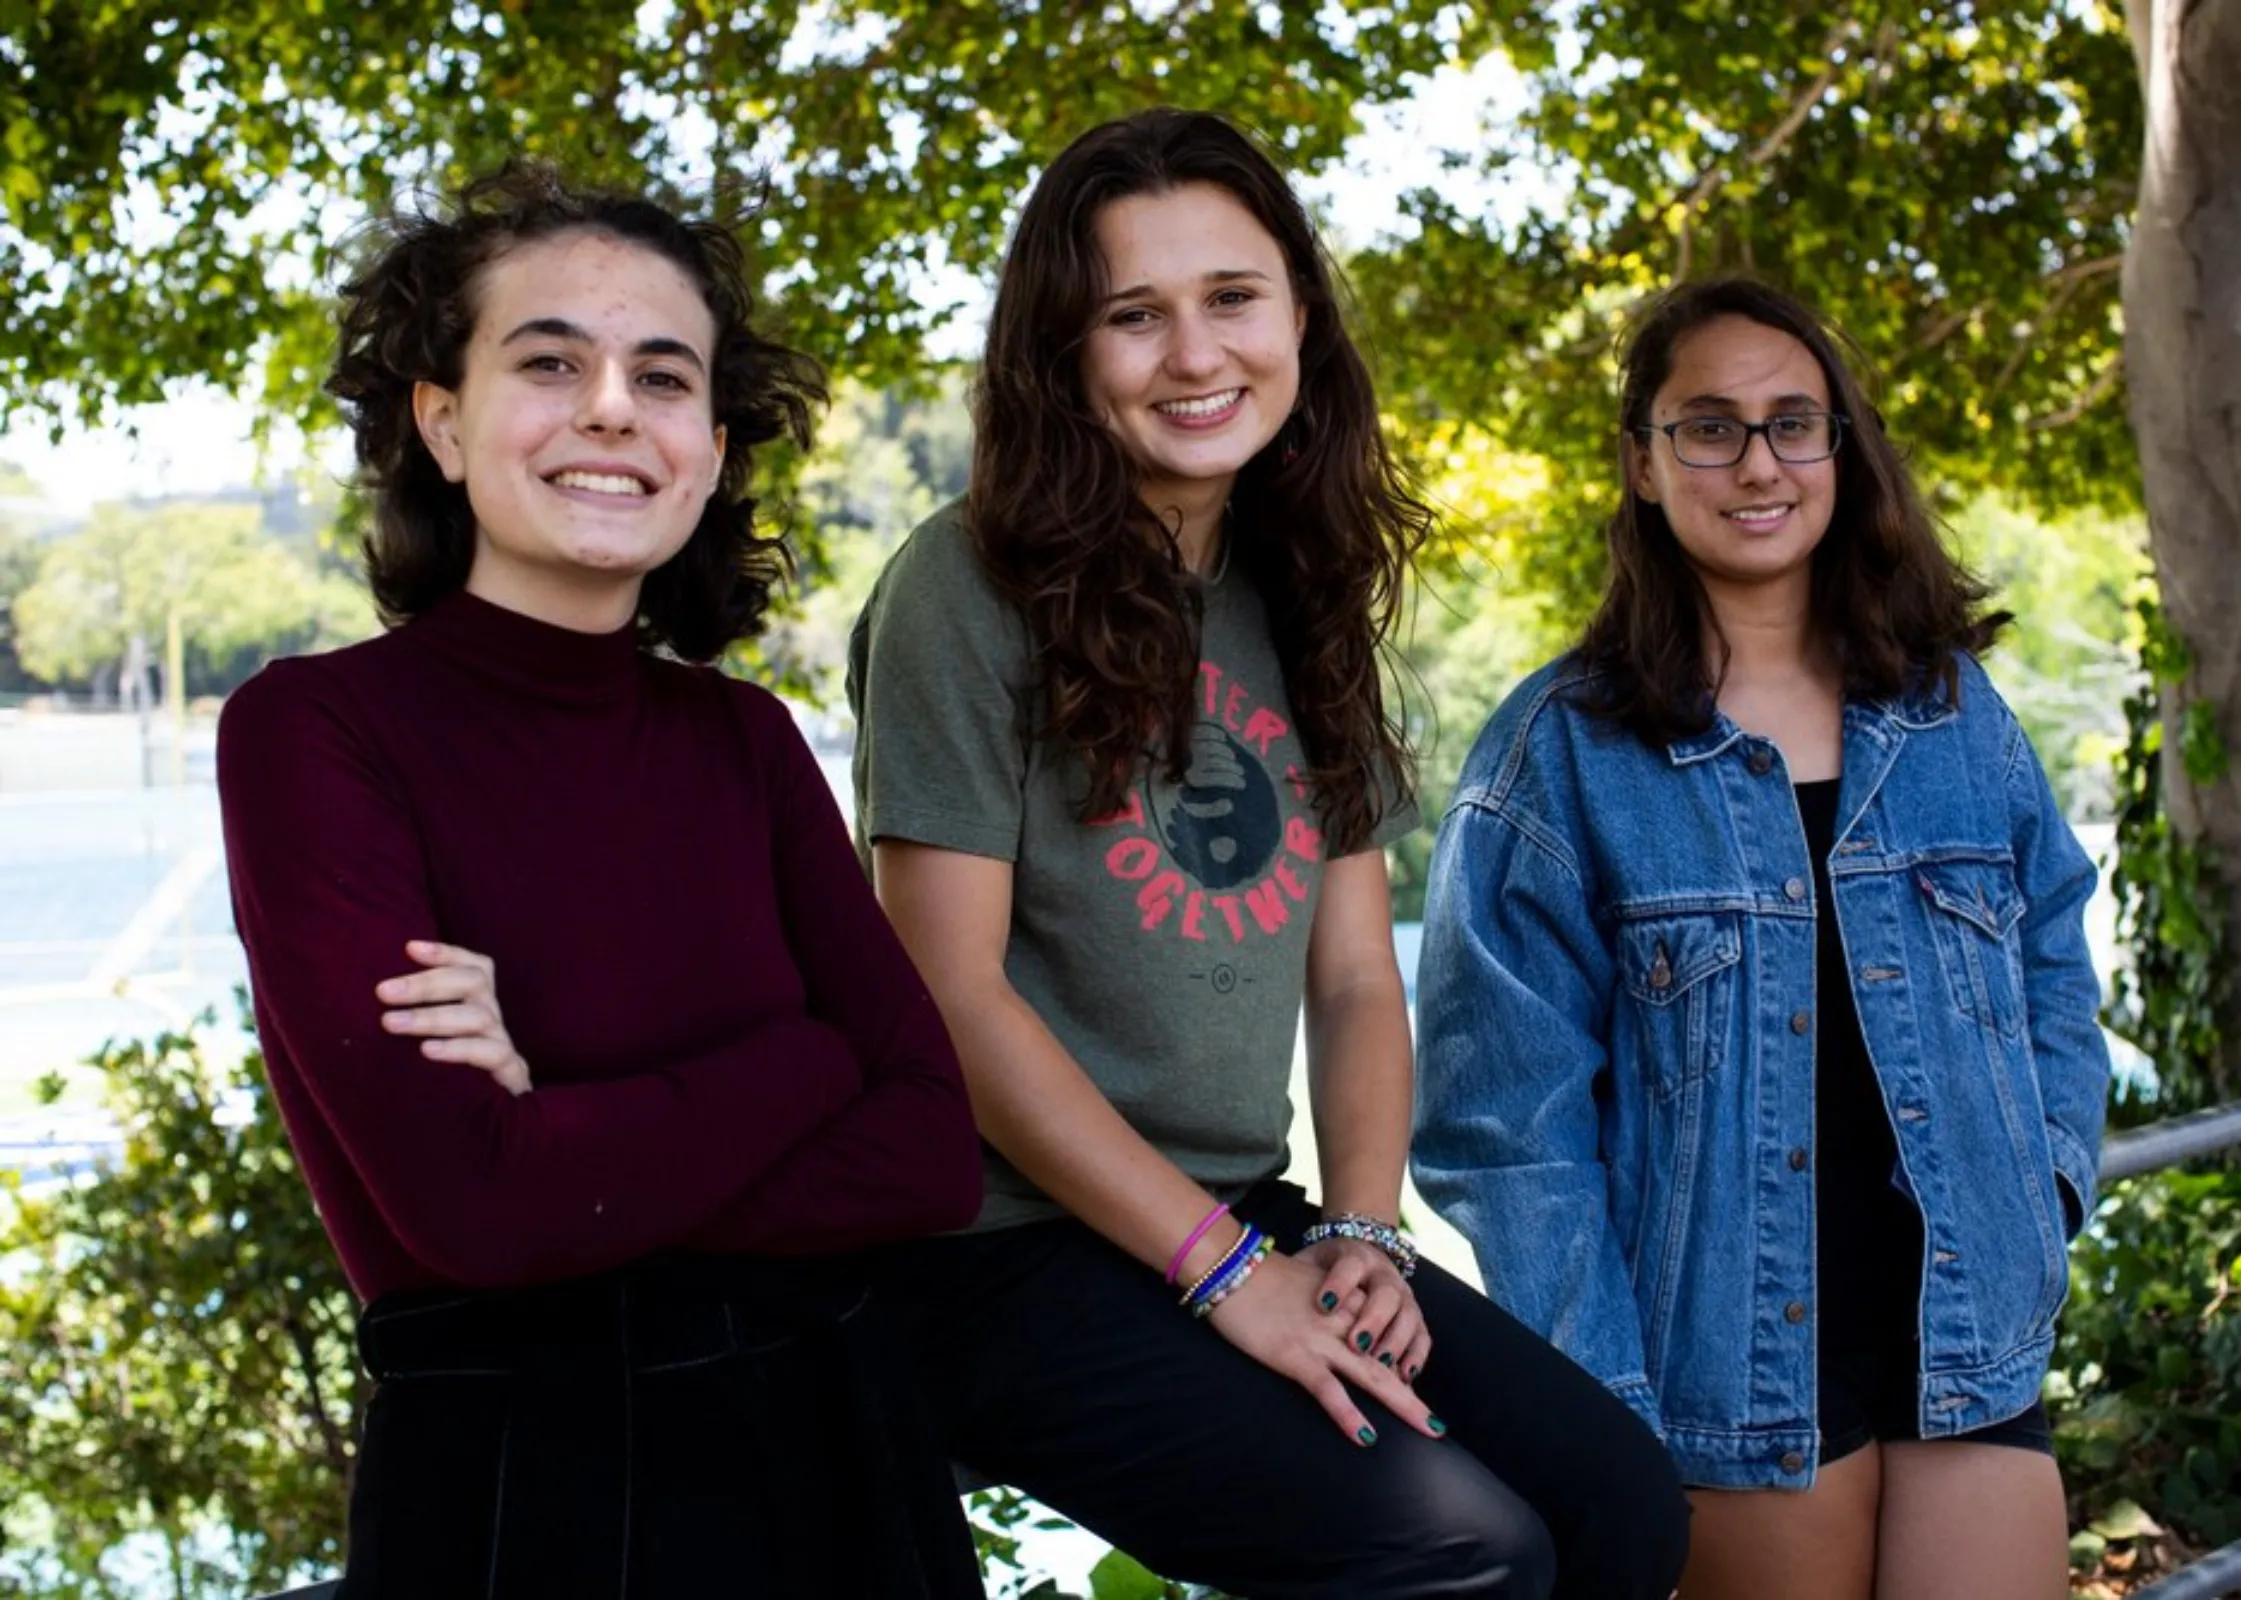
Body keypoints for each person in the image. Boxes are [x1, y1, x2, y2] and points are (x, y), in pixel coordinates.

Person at [847, 108, 1690, 1600]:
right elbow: (953, 1004)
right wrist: (1230, 1279)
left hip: (1244, 1210)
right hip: (994, 1256)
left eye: (1232, 298)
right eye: (1133, 315)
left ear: (1299, 312)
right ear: (1064, 352)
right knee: (1460, 1550)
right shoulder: (964, 586)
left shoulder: (1296, 583)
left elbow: (1361, 978)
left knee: (1619, 1503)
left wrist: (1365, 1233)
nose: (1195, 355)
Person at [214, 163, 985, 1599]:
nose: (614, 407)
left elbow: (932, 1152)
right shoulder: (312, 730)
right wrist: (805, 1060)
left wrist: (563, 1122)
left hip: (845, 1460)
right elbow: (476, 1208)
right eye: (550, 361)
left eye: (663, 374)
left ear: (706, 442)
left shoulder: (746, 742)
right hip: (527, 1497)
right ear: (439, 422)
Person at [1412, 276, 2113, 1600]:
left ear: (1842, 450)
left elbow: (2055, 967)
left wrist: (2049, 1185)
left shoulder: (1954, 715)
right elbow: (1507, 1133)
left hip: (1963, 1335)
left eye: (1796, 423)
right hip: (1724, 1364)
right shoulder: (1557, 756)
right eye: (1710, 426)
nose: (1758, 462)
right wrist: (1608, 1404)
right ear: (1641, 460)